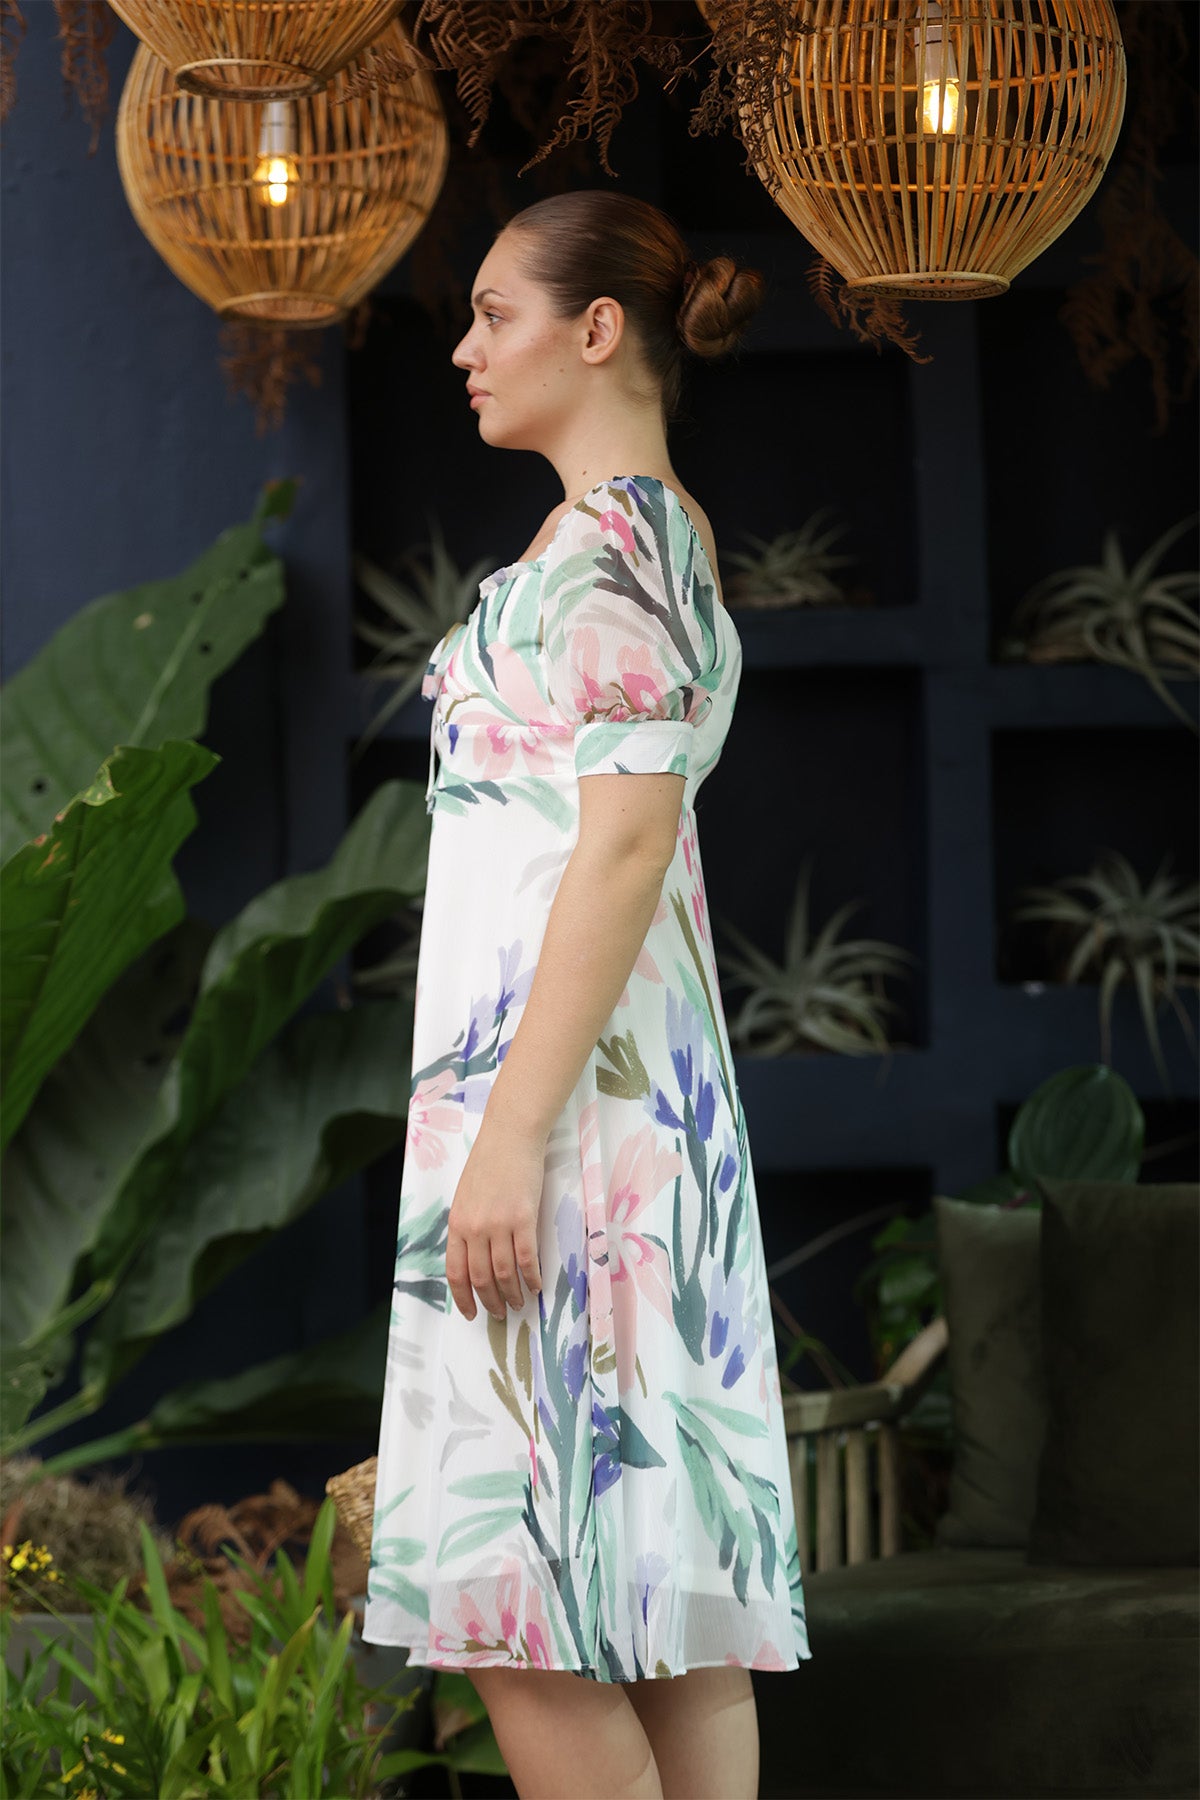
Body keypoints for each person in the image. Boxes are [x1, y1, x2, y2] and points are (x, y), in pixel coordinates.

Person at [360, 188, 812, 1800]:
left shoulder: (621, 542)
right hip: (601, 1115)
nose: (466, 349)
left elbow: (623, 851)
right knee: (652, 1611)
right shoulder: (628, 538)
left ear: (597, 329)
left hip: (568, 1130)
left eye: (497, 314)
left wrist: (508, 1136)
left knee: (518, 1613)